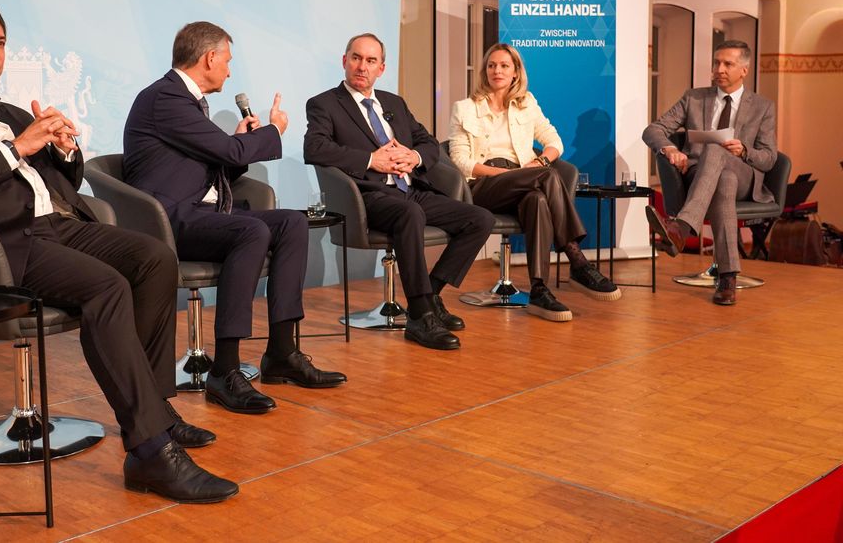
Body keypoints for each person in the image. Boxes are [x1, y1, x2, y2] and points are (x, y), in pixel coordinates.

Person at [0, 0, 236, 504]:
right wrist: (17, 147)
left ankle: (158, 407)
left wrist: (65, 150)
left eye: (0, 42)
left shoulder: (5, 110)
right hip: (1, 245)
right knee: (107, 287)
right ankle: (150, 450)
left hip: (61, 225)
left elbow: (58, 183)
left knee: (156, 257)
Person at [123, 21, 346, 415]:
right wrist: (273, 131)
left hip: (199, 210)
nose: (229, 69)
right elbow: (225, 152)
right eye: (227, 60)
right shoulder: (165, 98)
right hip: (167, 219)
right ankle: (224, 370)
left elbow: (215, 161)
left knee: (291, 222)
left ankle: (282, 352)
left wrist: (239, 142)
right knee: (251, 230)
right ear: (209, 58)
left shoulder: (185, 102)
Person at [303, 33, 494, 350]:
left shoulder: (394, 103)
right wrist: (370, 160)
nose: (362, 66)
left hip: (411, 190)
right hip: (368, 197)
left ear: (382, 68)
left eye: (371, 60)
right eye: (356, 58)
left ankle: (430, 295)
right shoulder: (325, 104)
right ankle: (420, 316)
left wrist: (414, 156)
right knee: (410, 213)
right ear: (344, 61)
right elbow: (315, 147)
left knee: (480, 218)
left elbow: (429, 143)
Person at [448, 43, 621, 322]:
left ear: (516, 72)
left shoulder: (526, 104)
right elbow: (461, 161)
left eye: (504, 66)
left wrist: (537, 163)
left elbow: (554, 142)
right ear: (484, 71)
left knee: (538, 199)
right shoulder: (465, 108)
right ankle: (576, 259)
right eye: (492, 65)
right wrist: (510, 175)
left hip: (524, 183)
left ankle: (539, 290)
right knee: (549, 175)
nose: (497, 71)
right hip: (483, 185)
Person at [643, 40, 777, 306]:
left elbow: (770, 158)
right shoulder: (694, 97)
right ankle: (727, 278)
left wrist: (744, 151)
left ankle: (680, 227)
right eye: (716, 63)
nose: (720, 69)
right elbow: (653, 130)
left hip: (744, 176)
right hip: (699, 173)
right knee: (722, 181)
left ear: (744, 70)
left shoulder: (763, 107)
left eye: (728, 64)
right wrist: (670, 149)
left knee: (721, 158)